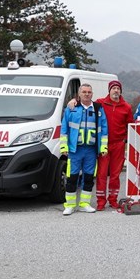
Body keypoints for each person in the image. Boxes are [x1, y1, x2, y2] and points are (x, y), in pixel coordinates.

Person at [67, 80, 134, 210]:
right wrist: (73, 101)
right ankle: (101, 201)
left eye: (118, 89)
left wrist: (125, 140)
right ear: (109, 90)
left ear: (121, 91)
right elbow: (85, 101)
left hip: (119, 145)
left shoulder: (127, 107)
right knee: (101, 174)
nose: (116, 91)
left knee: (115, 175)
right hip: (103, 144)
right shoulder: (100, 103)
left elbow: (129, 125)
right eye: (113, 88)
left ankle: (113, 200)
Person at [60, 83, 108, 215]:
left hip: (91, 150)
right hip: (75, 150)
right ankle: (69, 205)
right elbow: (64, 129)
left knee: (88, 177)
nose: (87, 94)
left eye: (89, 92)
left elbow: (104, 129)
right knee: (72, 177)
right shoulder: (71, 108)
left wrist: (103, 147)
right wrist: (64, 146)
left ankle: (84, 203)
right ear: (79, 94)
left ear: (92, 94)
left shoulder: (98, 108)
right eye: (84, 92)